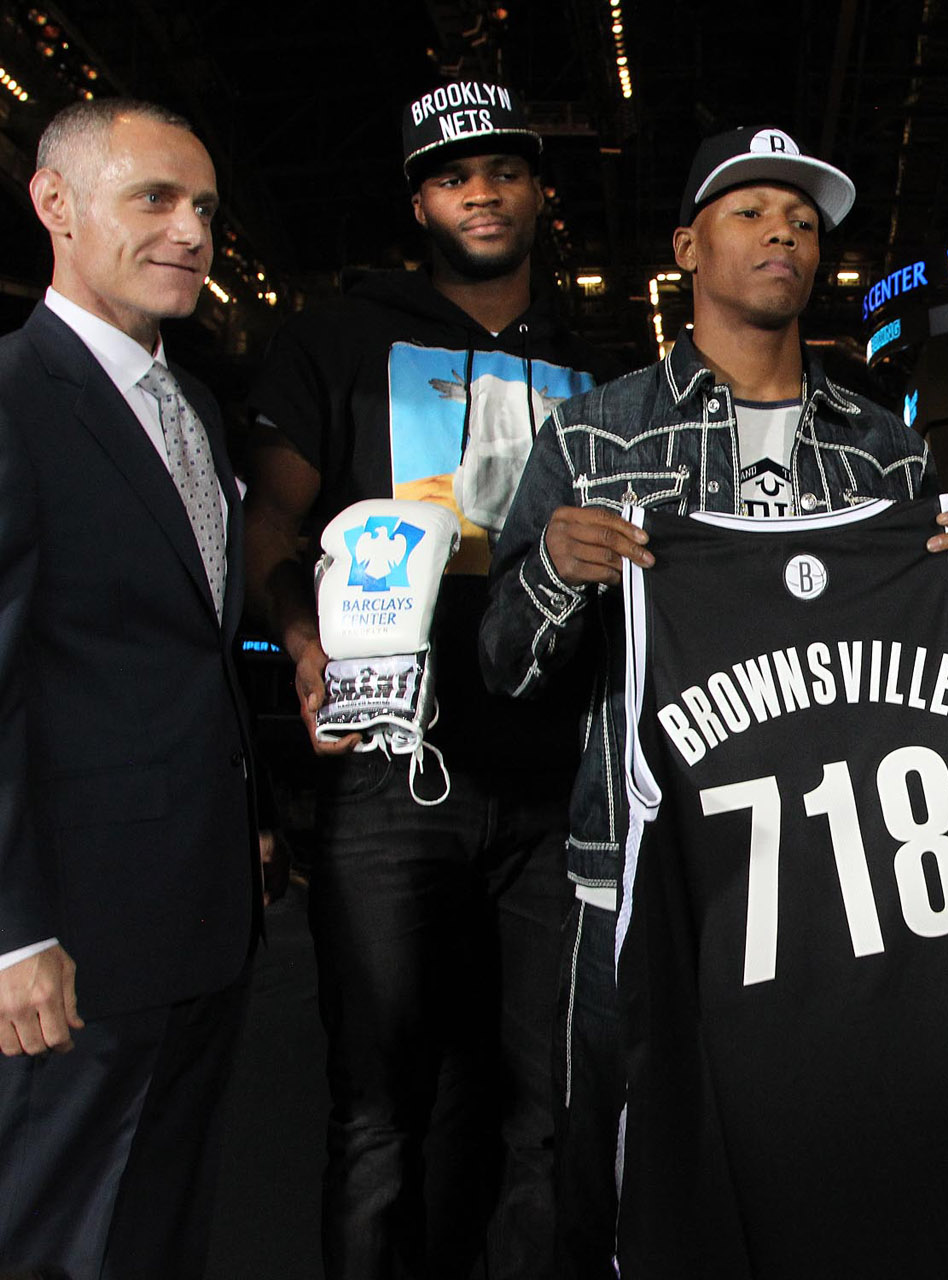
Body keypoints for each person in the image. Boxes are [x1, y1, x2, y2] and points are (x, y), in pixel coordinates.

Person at [478, 124, 948, 1278]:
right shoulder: (594, 435)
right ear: (685, 246)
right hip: (638, 877)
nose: (785, 233)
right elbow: (505, 668)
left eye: (805, 221)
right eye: (752, 211)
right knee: (608, 1177)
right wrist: (553, 571)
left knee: (820, 1159)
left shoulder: (887, 451)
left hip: (838, 881)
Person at [243, 80, 611, 1279]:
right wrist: (303, 643)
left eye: (504, 170)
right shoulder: (338, 338)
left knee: (547, 1104)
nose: (482, 193)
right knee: (381, 1108)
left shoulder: (594, 364)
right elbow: (269, 524)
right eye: (454, 176)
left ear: (541, 190)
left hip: (556, 785)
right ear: (419, 203)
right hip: (390, 772)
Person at [0, 98, 259, 1278]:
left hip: (202, 922)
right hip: (71, 944)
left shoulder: (192, 407)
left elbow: (183, 651)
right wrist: (13, 932)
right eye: (154, 198)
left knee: (158, 1234)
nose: (191, 232)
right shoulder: (13, 395)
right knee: (60, 1240)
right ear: (54, 204)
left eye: (203, 207)